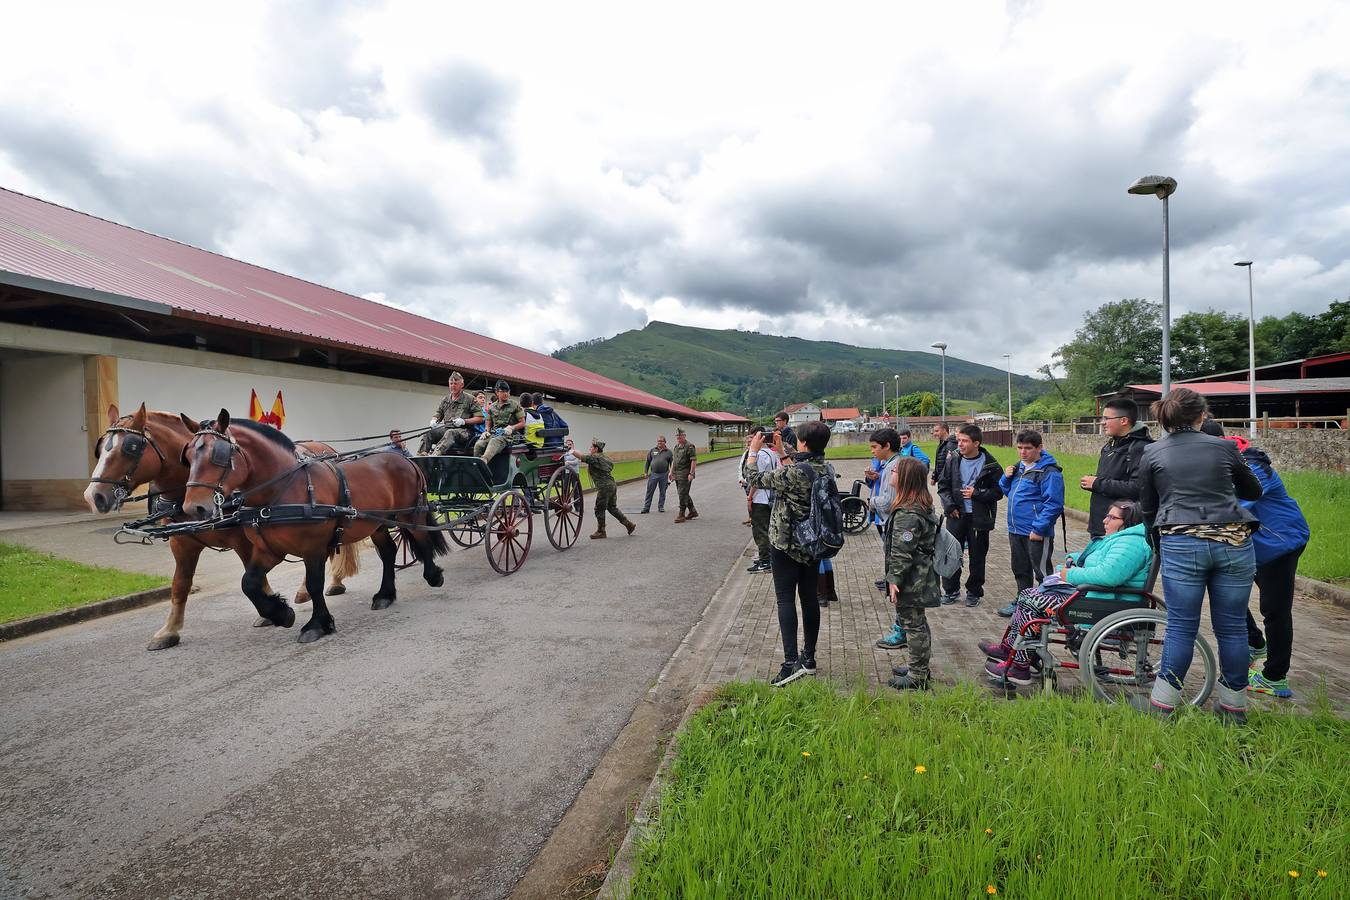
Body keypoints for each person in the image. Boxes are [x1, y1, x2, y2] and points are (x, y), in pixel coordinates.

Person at [1139, 388, 1262, 723]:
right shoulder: (1224, 448)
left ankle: (1164, 707)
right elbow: (1254, 491)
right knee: (1234, 627)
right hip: (1235, 542)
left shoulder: (1152, 453)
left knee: (1180, 626)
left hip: (1181, 543)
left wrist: (1158, 543)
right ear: (1201, 415)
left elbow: (1148, 508)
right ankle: (1233, 708)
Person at [981, 500, 1151, 685]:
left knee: (1033, 600)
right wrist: (1075, 558)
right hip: (1097, 596)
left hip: (1106, 602)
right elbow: (1098, 560)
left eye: (1112, 517)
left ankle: (1020, 666)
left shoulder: (1131, 543)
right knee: (1028, 595)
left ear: (1128, 522)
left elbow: (1108, 576)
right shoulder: (1121, 539)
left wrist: (1069, 574)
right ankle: (1012, 651)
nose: (1104, 520)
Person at [742, 420, 832, 687]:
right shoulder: (825, 468)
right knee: (809, 599)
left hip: (786, 544)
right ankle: (809, 658)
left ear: (803, 443)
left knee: (785, 600)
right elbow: (797, 470)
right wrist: (782, 452)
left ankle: (791, 662)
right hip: (813, 543)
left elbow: (754, 479)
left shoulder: (796, 473)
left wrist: (754, 452)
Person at [1226, 435, 1310, 699]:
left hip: (1280, 546)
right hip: (1253, 546)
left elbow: (1232, 507)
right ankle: (1254, 642)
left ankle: (1275, 677)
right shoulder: (1231, 466)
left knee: (1275, 611)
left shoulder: (1255, 470)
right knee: (1227, 594)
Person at [883, 457, 943, 691]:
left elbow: (902, 551)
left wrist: (894, 580)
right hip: (919, 574)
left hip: (912, 578)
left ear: (906, 478)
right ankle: (918, 667)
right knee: (917, 621)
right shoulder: (919, 504)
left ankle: (918, 675)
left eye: (896, 471)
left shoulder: (908, 513)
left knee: (913, 624)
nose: (891, 474)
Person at [996, 430, 1065, 617]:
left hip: (1035, 531)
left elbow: (1054, 504)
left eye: (1028, 448)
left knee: (1041, 571)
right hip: (1015, 529)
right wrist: (1005, 477)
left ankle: (1047, 607)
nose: (1023, 452)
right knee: (1020, 569)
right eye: (1019, 448)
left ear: (1039, 448)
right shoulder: (1018, 467)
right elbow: (1007, 491)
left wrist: (1039, 528)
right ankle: (1023, 601)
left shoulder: (1049, 472)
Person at [936, 424, 1002, 607]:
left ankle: (974, 591)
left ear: (977, 443)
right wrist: (950, 506)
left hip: (979, 517)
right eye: (959, 440)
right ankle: (950, 590)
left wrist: (977, 493)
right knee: (950, 553)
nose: (960, 444)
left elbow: (998, 492)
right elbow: (943, 486)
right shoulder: (953, 459)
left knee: (977, 556)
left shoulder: (991, 465)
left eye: (964, 441)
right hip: (956, 515)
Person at [1080, 395, 1153, 540]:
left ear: (1124, 420)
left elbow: (1138, 488)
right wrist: (1092, 482)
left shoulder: (1141, 448)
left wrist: (1097, 483)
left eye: (1107, 418)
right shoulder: (1109, 446)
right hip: (1100, 526)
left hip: (1122, 530)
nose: (1102, 423)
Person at [864, 429, 908, 649]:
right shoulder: (887, 465)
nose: (872, 451)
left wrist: (871, 502)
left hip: (893, 524)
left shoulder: (894, 465)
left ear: (887, 446)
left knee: (897, 579)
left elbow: (890, 501)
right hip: (890, 523)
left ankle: (902, 630)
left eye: (874, 447)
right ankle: (903, 626)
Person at [567, 438, 636, 539]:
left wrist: (571, 450)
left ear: (596, 449)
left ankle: (601, 531)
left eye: (591, 447)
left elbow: (582, 457)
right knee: (612, 507)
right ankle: (629, 524)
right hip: (612, 485)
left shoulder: (595, 458)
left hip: (604, 487)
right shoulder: (605, 457)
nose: (589, 449)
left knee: (599, 509)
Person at [422, 372, 485, 455]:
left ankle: (436, 454)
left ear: (462, 384)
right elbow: (438, 413)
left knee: (451, 433)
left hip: (465, 431)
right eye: (451, 383)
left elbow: (480, 418)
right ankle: (421, 455)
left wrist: (464, 421)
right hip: (447, 428)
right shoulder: (446, 399)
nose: (453, 386)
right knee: (428, 433)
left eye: (455, 383)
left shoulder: (470, 399)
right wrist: (434, 420)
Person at [743, 426, 778, 572]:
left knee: (760, 532)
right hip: (771, 496)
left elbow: (755, 480)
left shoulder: (758, 455)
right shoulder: (772, 453)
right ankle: (769, 559)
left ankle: (765, 561)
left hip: (760, 497)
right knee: (768, 530)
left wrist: (750, 497)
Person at [474, 380, 526, 464]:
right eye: (503, 391)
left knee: (494, 441)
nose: (506, 394)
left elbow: (522, 423)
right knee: (478, 445)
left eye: (507, 391)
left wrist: (512, 428)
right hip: (495, 433)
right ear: (497, 392)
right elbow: (488, 422)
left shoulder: (515, 405)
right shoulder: (492, 407)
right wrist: (486, 431)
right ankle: (476, 467)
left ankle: (483, 461)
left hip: (510, 436)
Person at [671, 428, 699, 522]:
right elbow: (674, 461)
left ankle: (681, 514)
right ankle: (692, 511)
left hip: (685, 474)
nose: (679, 437)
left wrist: (691, 473)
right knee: (683, 493)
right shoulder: (676, 447)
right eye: (677, 436)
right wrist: (671, 472)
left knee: (682, 494)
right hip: (677, 474)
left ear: (684, 436)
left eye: (680, 435)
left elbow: (693, 460)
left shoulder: (689, 446)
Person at [641, 435, 673, 514]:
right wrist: (645, 472)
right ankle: (646, 508)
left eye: (661, 441)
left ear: (665, 442)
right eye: (658, 441)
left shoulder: (669, 452)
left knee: (662, 492)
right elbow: (648, 462)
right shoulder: (652, 450)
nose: (659, 442)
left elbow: (672, 464)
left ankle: (661, 507)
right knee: (649, 491)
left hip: (664, 475)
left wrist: (672, 473)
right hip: (653, 475)